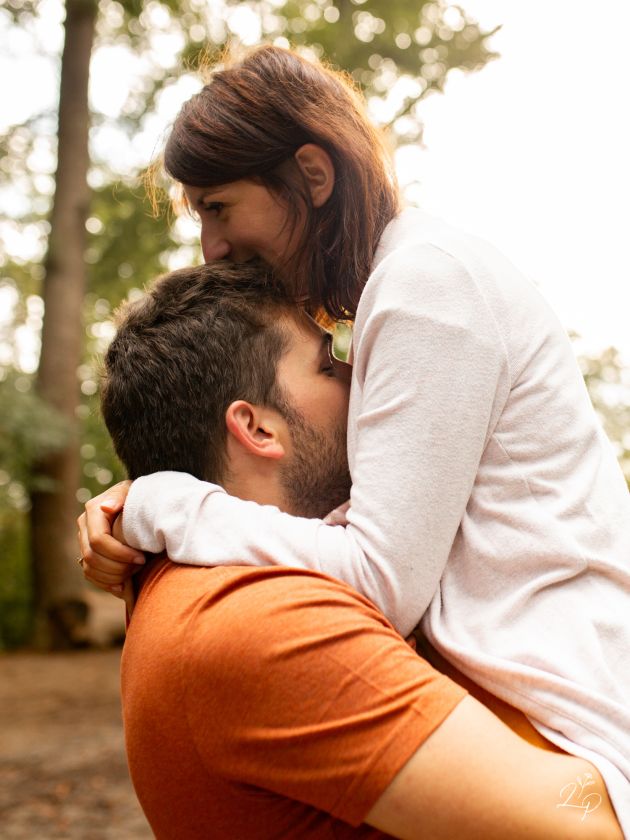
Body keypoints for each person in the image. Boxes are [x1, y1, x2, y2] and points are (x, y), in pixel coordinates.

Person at [79, 46, 630, 831]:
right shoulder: (394, 294)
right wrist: (155, 491)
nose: (210, 246)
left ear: (311, 174)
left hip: (563, 735)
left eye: (218, 207)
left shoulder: (424, 286)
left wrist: (174, 501)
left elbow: (375, 576)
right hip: (509, 719)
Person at [101, 260, 620, 839]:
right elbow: (582, 826)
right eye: (328, 365)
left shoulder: (196, 583)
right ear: (258, 429)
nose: (361, 378)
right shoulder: (264, 625)